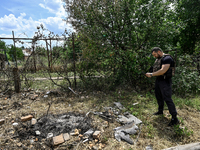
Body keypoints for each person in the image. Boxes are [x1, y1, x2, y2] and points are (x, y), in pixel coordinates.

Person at [146, 47, 179, 126]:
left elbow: (163, 71)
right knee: (158, 96)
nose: (154, 56)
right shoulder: (159, 59)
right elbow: (156, 68)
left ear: (159, 52)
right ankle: (160, 111)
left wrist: (151, 74)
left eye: (155, 54)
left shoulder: (167, 58)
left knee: (167, 98)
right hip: (159, 80)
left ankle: (174, 118)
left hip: (165, 81)